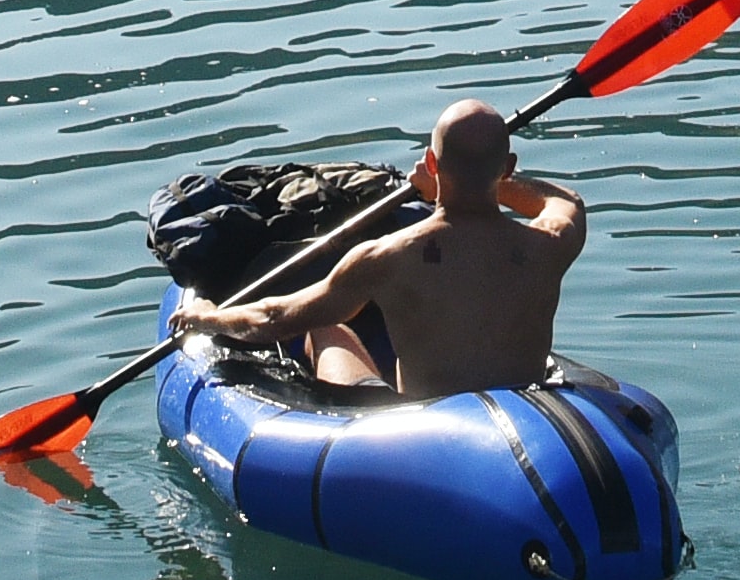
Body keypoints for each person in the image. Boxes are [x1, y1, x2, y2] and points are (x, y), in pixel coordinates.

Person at [177, 98, 586, 399]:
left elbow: (275, 317)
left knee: (327, 324)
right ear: (509, 166)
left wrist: (210, 317)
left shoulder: (388, 257)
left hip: (428, 422)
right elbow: (567, 201)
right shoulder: (547, 245)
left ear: (430, 161)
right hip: (527, 403)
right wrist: (492, 178)